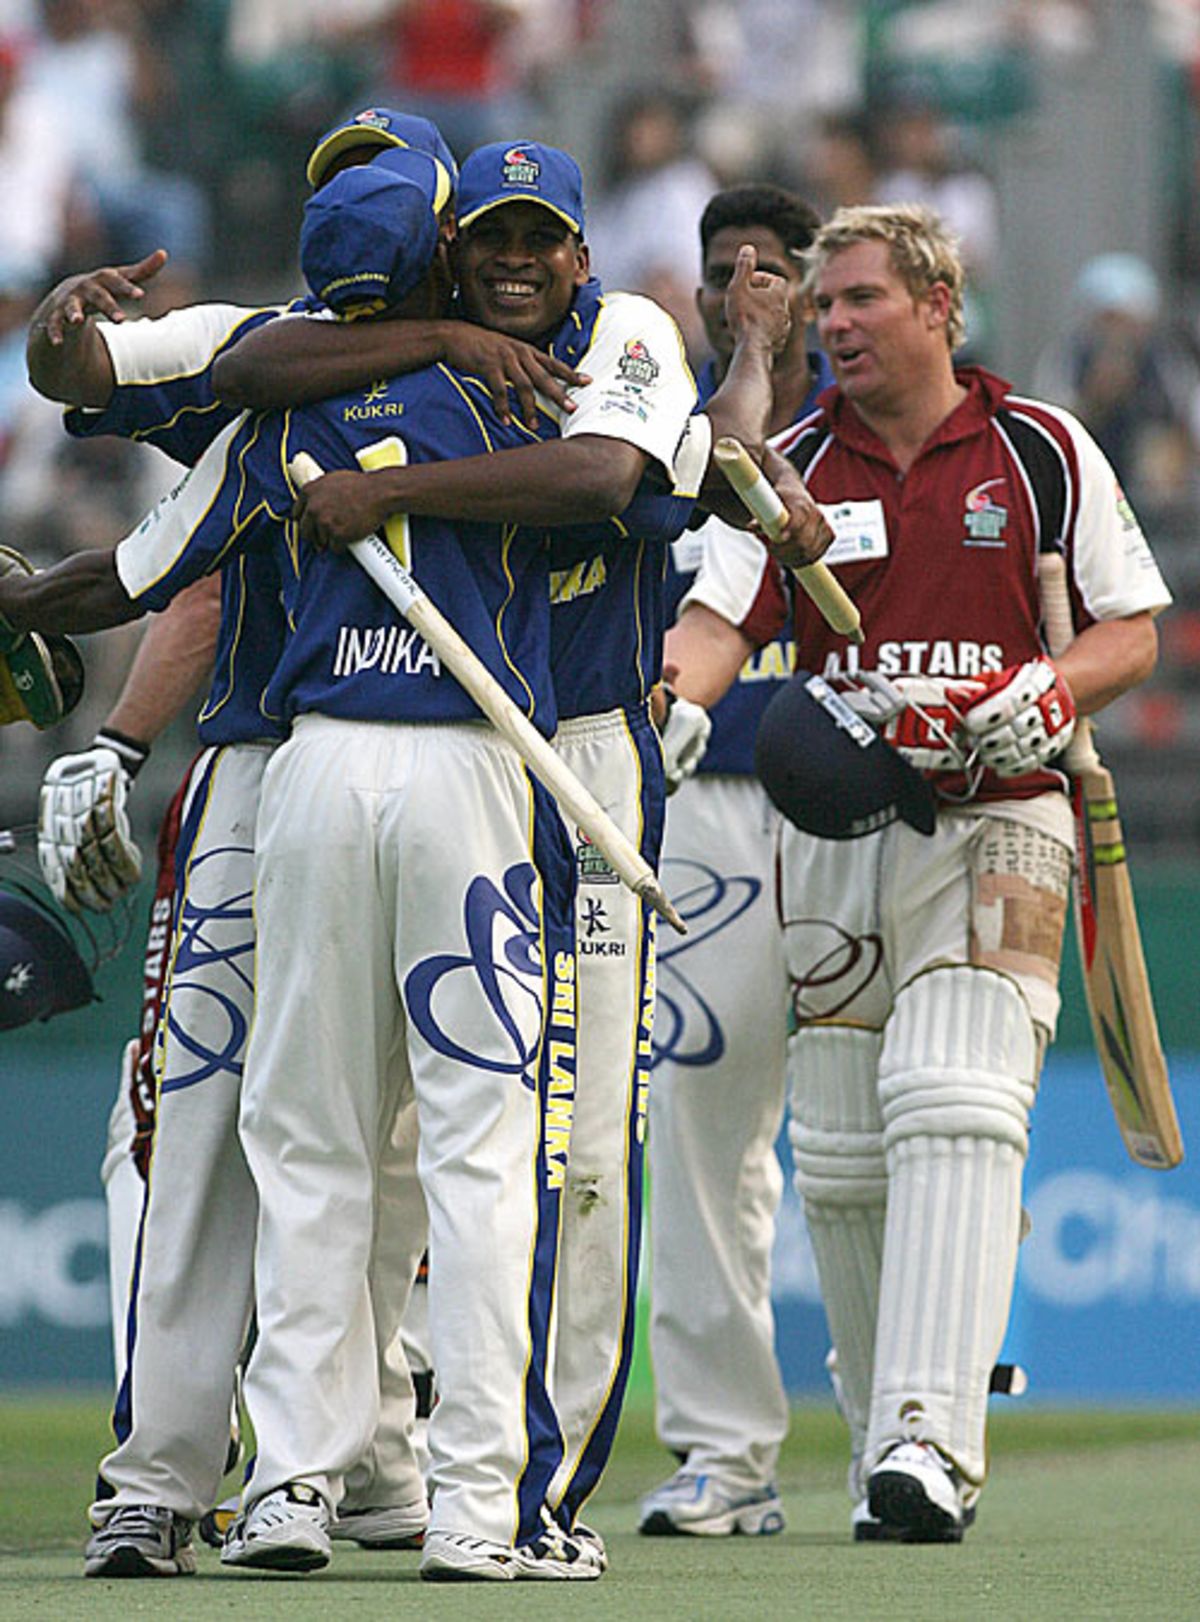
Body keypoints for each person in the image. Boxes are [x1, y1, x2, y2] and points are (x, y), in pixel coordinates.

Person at [24, 107, 581, 1581]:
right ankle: (177, 1472)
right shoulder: (316, 349)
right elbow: (113, 373)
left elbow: (155, 557)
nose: (351, 222)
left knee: (349, 1138)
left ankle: (354, 1463)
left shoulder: (515, 354)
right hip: (281, 763)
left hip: (326, 761)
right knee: (226, 1123)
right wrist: (62, 344)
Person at [768, 203, 1169, 1541]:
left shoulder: (1040, 447)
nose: (835, 322)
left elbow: (1133, 633)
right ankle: (891, 1421)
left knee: (956, 1100)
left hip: (1007, 812)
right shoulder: (790, 464)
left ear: (938, 303)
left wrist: (1041, 693)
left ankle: (930, 1443)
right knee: (835, 1153)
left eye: (862, 298)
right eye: (825, 303)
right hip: (834, 833)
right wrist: (673, 695)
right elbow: (719, 619)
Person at [637, 182, 831, 1539]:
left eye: (777, 264)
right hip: (702, 800)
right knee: (705, 1129)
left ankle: (912, 1424)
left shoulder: (879, 428)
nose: (748, 281)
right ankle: (725, 1451)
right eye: (727, 267)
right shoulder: (658, 422)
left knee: (885, 1128)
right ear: (699, 291)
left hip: (868, 808)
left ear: (826, 284)